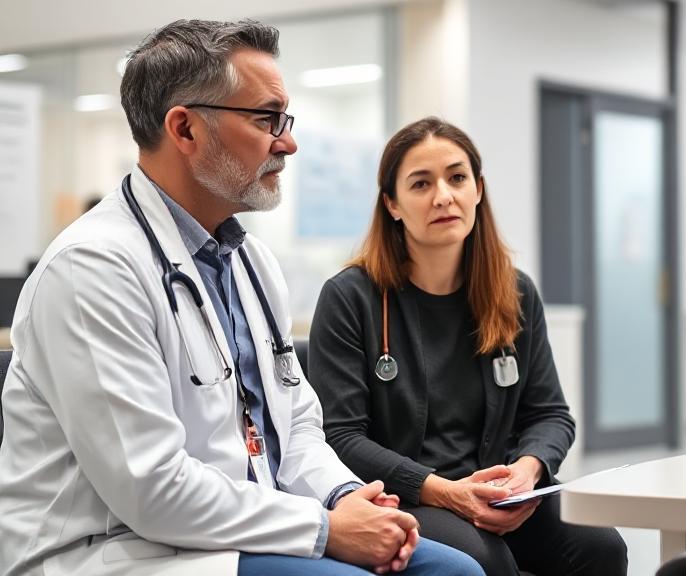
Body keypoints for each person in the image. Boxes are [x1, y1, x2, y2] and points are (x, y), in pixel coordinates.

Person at [0, 20, 483, 576]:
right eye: (266, 118)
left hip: (239, 528)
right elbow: (151, 489)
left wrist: (342, 497)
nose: (289, 141)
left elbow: (295, 425)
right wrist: (326, 530)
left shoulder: (249, 262)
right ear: (185, 129)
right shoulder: (93, 269)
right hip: (117, 552)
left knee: (456, 570)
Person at [307, 117, 629, 576]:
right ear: (392, 204)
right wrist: (446, 491)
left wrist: (528, 470)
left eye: (457, 178)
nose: (444, 195)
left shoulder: (513, 292)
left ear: (477, 189)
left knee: (601, 546)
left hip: (500, 489)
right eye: (421, 183)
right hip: (408, 495)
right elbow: (340, 436)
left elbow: (550, 414)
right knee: (483, 561)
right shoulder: (351, 298)